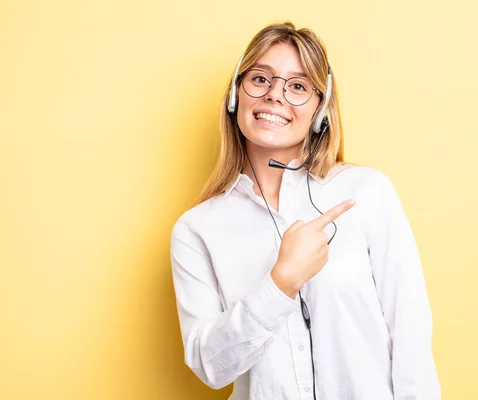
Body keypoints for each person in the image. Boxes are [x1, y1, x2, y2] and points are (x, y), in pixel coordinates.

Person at [170, 21, 441, 400]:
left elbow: (409, 335)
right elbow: (211, 367)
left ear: (321, 108)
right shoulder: (196, 230)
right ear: (236, 96)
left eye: (297, 86)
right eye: (260, 79)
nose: (275, 96)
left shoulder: (366, 193)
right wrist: (281, 282)